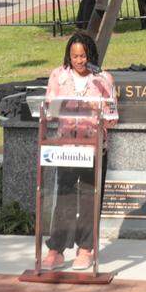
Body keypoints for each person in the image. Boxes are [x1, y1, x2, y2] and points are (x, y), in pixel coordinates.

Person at [41, 32, 117, 271]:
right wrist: (54, 109)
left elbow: (113, 118)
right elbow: (48, 108)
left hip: (93, 147)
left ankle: (86, 249)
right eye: (74, 56)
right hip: (66, 147)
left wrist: (100, 111)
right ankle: (56, 249)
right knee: (63, 197)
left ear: (90, 55)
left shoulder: (103, 79)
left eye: (83, 55)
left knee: (87, 198)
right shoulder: (58, 76)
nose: (79, 61)